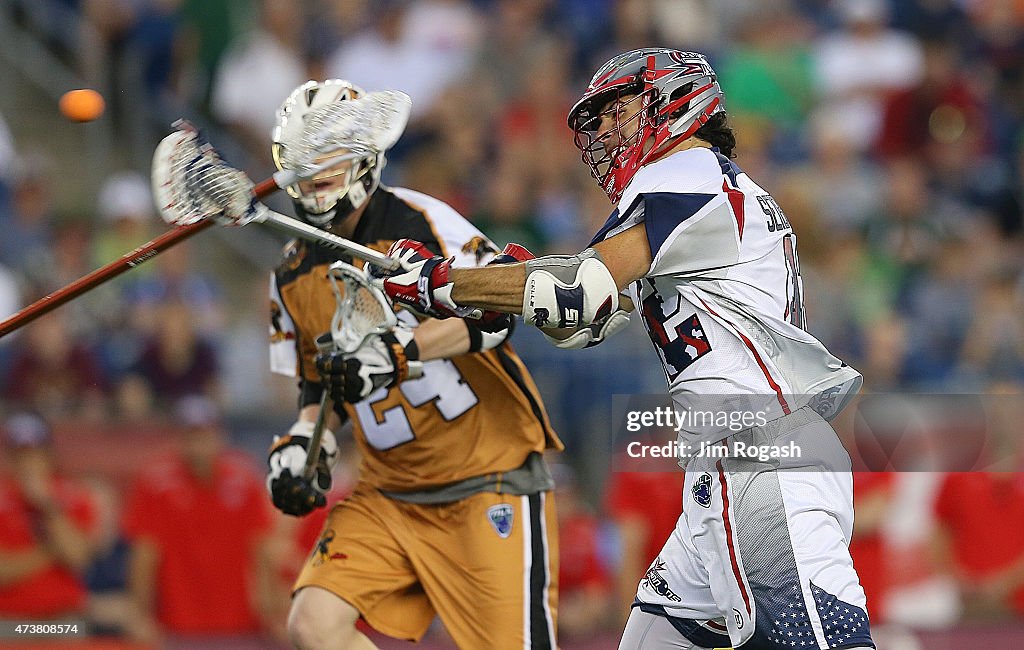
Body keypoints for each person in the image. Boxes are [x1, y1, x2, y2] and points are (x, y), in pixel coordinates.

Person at [374, 49, 873, 649]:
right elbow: (582, 319)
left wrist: (439, 281)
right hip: (730, 462)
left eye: (620, 110)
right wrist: (496, 285)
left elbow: (573, 294)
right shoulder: (705, 190)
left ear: (677, 101)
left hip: (758, 457)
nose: (606, 130)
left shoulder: (686, 174)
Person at [262, 80, 562, 649]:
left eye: (328, 153)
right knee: (313, 624)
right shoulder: (291, 273)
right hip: (389, 493)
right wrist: (306, 445)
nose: (316, 170)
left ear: (364, 153)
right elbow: (318, 389)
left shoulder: (422, 222)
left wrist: (403, 353)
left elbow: (499, 313)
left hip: (485, 478)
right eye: (303, 157)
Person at [121, 395, 275, 643]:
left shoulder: (244, 479)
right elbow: (144, 555)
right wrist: (140, 614)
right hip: (177, 624)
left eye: (205, 435)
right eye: (191, 436)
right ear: (179, 439)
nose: (198, 444)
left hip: (240, 624)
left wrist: (272, 610)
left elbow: (261, 551)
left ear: (220, 435)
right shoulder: (155, 483)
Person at [0, 412, 99, 620]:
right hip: (9, 620)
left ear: (49, 455)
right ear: (10, 458)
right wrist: (52, 551)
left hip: (63, 618)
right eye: (21, 455)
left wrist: (48, 506)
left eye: (36, 454)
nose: (29, 463)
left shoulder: (74, 496)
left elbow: (77, 557)